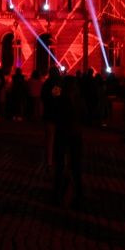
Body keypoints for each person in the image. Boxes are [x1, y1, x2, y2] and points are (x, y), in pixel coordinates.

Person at [53, 76, 85, 208]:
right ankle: (78, 195)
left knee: (60, 165)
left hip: (62, 134)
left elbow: (55, 113)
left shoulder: (61, 99)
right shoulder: (79, 100)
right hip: (76, 135)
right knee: (76, 167)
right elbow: (85, 114)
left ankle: (59, 194)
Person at [41, 66, 63, 164]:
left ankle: (49, 161)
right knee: (59, 139)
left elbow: (43, 98)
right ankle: (58, 160)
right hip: (58, 113)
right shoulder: (60, 83)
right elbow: (58, 97)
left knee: (49, 139)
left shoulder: (46, 84)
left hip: (49, 113)